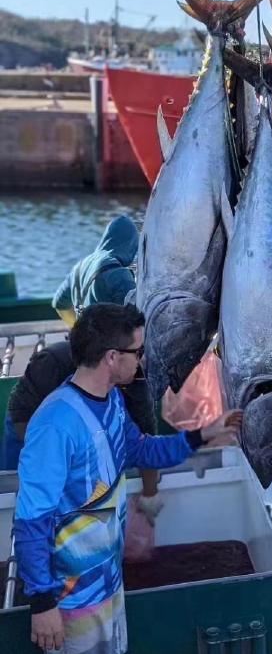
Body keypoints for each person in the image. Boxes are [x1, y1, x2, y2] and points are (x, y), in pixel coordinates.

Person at [14, 303, 243, 654]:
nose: (143, 360)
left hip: (104, 582)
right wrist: (42, 602)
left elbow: (144, 450)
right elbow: (30, 521)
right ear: (111, 357)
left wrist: (203, 434)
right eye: (137, 352)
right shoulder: (55, 423)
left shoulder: (111, 402)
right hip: (70, 595)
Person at [50, 214, 163, 523]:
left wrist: (80, 333)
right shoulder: (117, 274)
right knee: (144, 429)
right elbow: (139, 321)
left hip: (89, 366)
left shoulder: (80, 267)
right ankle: (151, 495)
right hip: (121, 367)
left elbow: (58, 303)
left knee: (97, 425)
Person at [0, 338, 163, 526]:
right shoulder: (53, 362)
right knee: (18, 491)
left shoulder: (136, 384)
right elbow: (21, 414)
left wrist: (150, 494)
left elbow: (146, 441)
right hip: (30, 422)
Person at [52, 215, 139, 326]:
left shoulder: (79, 267)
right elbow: (135, 322)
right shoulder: (120, 275)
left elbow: (59, 304)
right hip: (110, 342)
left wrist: (76, 327)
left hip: (83, 342)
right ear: (132, 245)